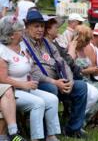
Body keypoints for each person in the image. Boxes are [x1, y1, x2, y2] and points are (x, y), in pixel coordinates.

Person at [23, 10, 87, 139]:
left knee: (81, 86)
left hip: (57, 80)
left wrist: (69, 81)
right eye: (36, 26)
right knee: (51, 89)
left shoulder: (47, 43)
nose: (40, 29)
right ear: (27, 27)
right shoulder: (23, 44)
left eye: (42, 26)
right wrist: (55, 83)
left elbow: (62, 62)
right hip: (38, 83)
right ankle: (48, 133)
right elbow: (32, 71)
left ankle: (73, 128)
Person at [0, 15, 61, 141]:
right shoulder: (2, 51)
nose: (24, 32)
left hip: (27, 88)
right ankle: (36, 138)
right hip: (12, 91)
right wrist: (24, 85)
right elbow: (2, 79)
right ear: (11, 35)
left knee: (52, 99)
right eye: (20, 30)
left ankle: (51, 136)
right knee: (37, 103)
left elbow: (30, 66)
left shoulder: (22, 46)